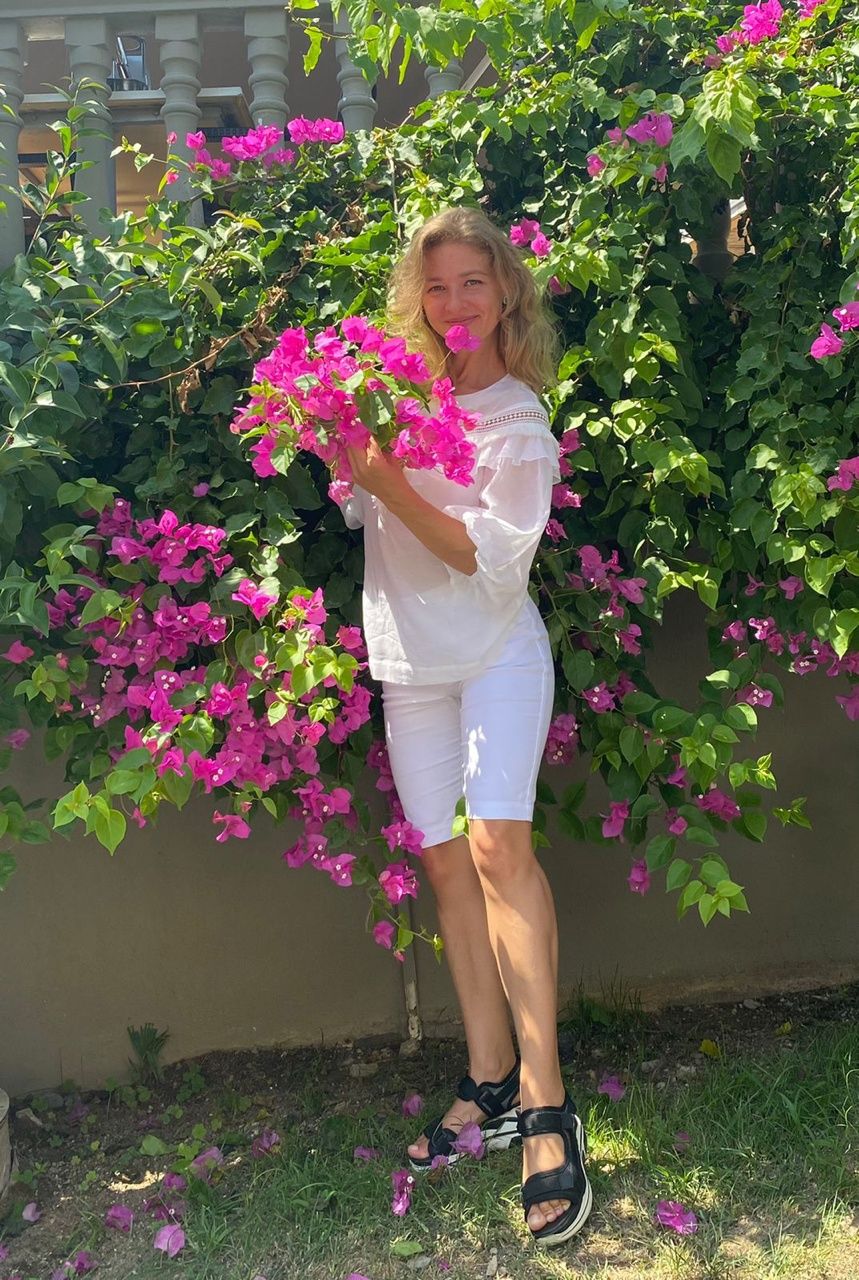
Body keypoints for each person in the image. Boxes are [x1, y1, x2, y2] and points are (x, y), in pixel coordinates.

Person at [339, 206, 592, 1247]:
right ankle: (486, 1078)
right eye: (436, 285)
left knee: (497, 853)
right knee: (444, 867)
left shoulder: (517, 419)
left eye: (472, 283)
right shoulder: (393, 401)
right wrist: (345, 442)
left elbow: (485, 561)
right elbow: (363, 511)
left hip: (494, 657)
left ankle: (545, 1104)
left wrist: (383, 476)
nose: (454, 304)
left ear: (504, 294)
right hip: (411, 664)